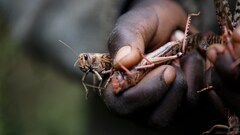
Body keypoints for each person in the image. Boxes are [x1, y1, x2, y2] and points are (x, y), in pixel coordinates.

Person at [0, 0, 239, 134]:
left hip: (165, 56)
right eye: (85, 60)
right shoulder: (97, 68)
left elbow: (112, 64)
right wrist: (125, 9)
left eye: (85, 60)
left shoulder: (102, 63)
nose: (84, 62)